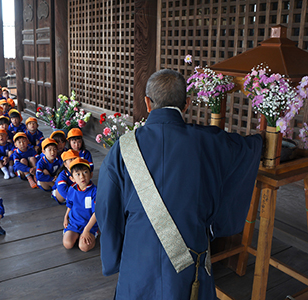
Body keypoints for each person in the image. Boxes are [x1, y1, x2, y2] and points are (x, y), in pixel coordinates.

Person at [95, 69, 263, 300]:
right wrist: (265, 137)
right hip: (189, 256)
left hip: (138, 254)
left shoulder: (123, 148)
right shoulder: (210, 141)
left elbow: (106, 209)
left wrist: (114, 256)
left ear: (147, 102)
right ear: (187, 104)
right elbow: (248, 150)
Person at [63, 158, 98, 252]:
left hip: (89, 225)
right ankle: (77, 234)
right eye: (77, 174)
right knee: (68, 244)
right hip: (75, 223)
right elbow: (69, 204)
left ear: (91, 174)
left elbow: (97, 213)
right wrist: (66, 217)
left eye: (85, 172)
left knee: (84, 247)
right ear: (72, 178)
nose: (82, 177)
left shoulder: (95, 191)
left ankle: (93, 233)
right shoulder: (72, 189)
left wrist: (86, 230)